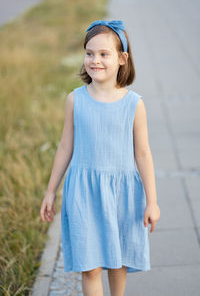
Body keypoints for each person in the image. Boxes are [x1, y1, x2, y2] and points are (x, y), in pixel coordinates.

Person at [40, 20, 160, 296]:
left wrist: (152, 201)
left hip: (123, 194)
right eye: (89, 53)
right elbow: (64, 148)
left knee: (118, 262)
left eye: (104, 54)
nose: (95, 60)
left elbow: (143, 154)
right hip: (84, 193)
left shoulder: (133, 104)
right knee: (90, 266)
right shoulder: (76, 100)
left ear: (122, 59)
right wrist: (50, 191)